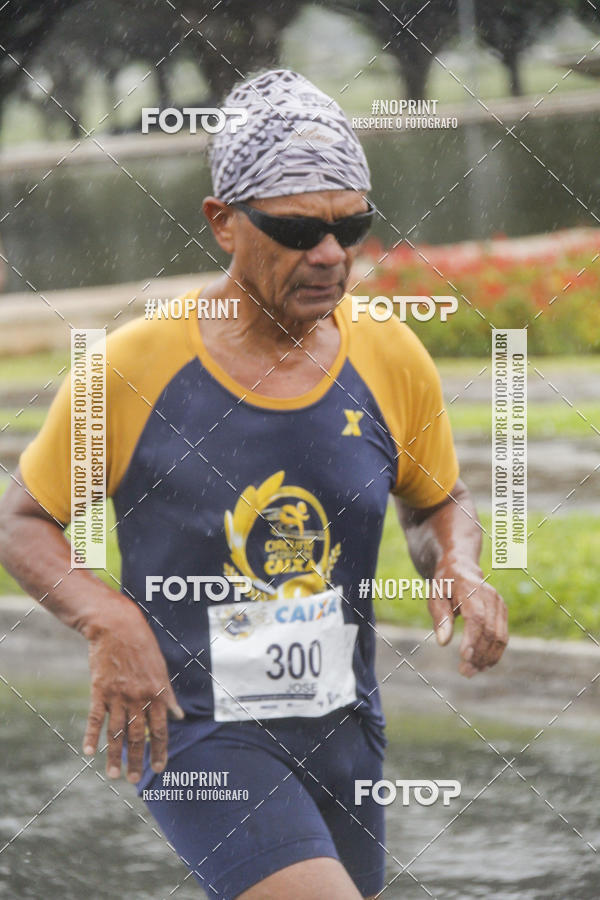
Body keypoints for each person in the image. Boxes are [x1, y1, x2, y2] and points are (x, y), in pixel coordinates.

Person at [0, 69, 507, 899]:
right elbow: (22, 520)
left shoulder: (389, 354)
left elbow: (434, 500)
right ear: (224, 223)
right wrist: (107, 619)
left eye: (352, 228)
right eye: (299, 230)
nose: (333, 256)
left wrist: (460, 564)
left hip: (343, 725)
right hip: (196, 729)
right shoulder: (134, 366)